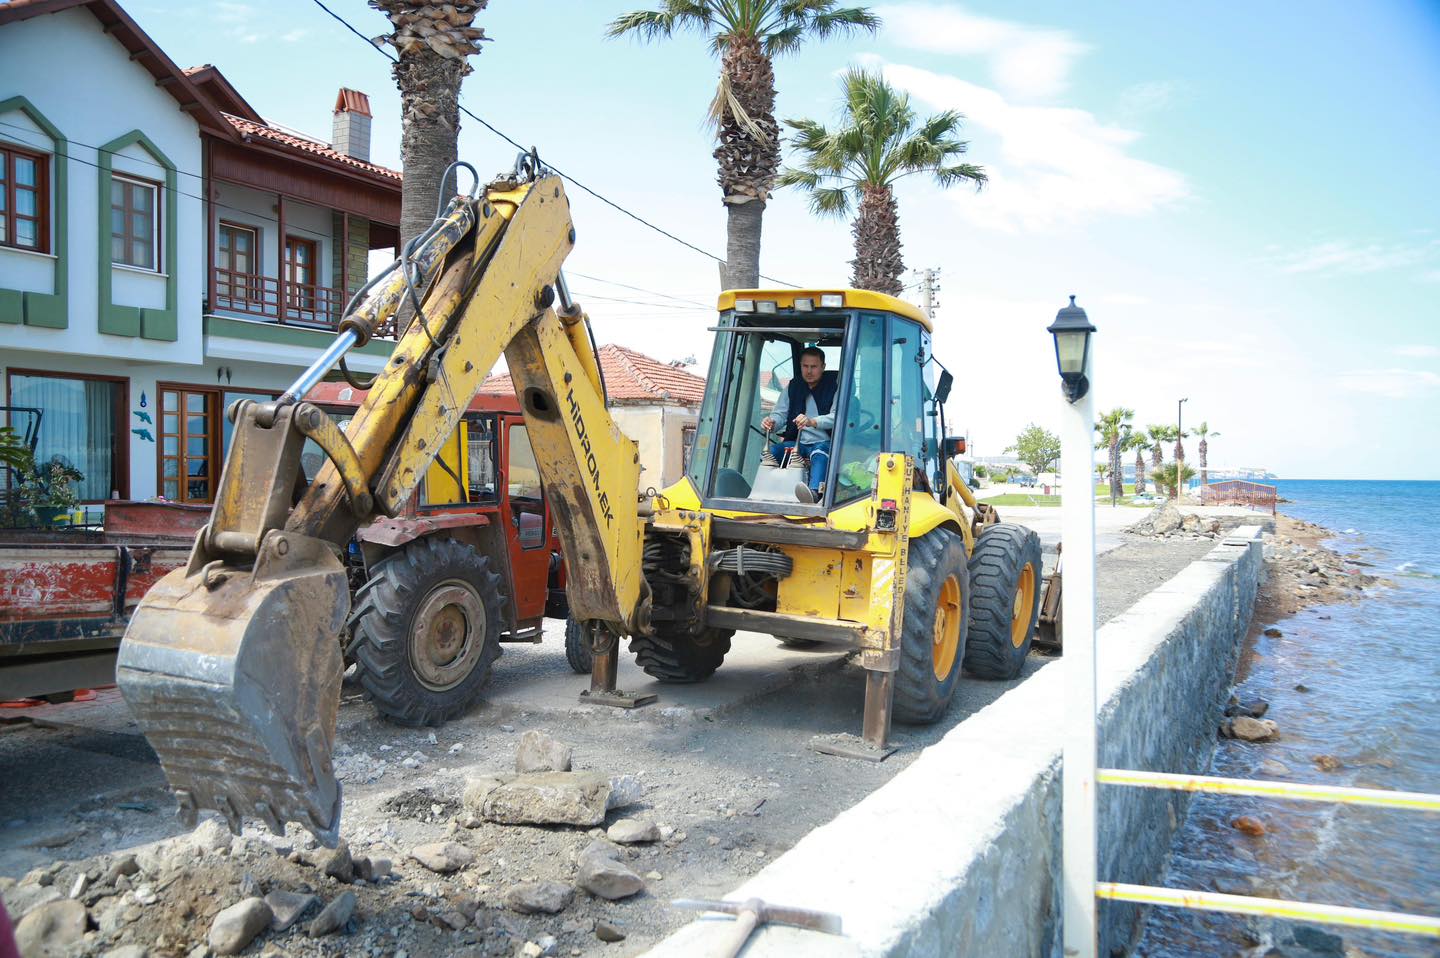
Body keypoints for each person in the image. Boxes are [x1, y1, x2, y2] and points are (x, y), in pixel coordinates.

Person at [760, 347, 837, 502]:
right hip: (797, 442)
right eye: (805, 366)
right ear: (801, 366)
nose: (809, 371)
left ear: (823, 367)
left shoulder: (835, 387)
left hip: (825, 442)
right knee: (772, 452)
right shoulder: (793, 387)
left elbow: (837, 417)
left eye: (814, 367)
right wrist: (772, 422)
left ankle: (814, 493)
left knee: (820, 453)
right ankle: (762, 492)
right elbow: (780, 414)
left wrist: (812, 421)